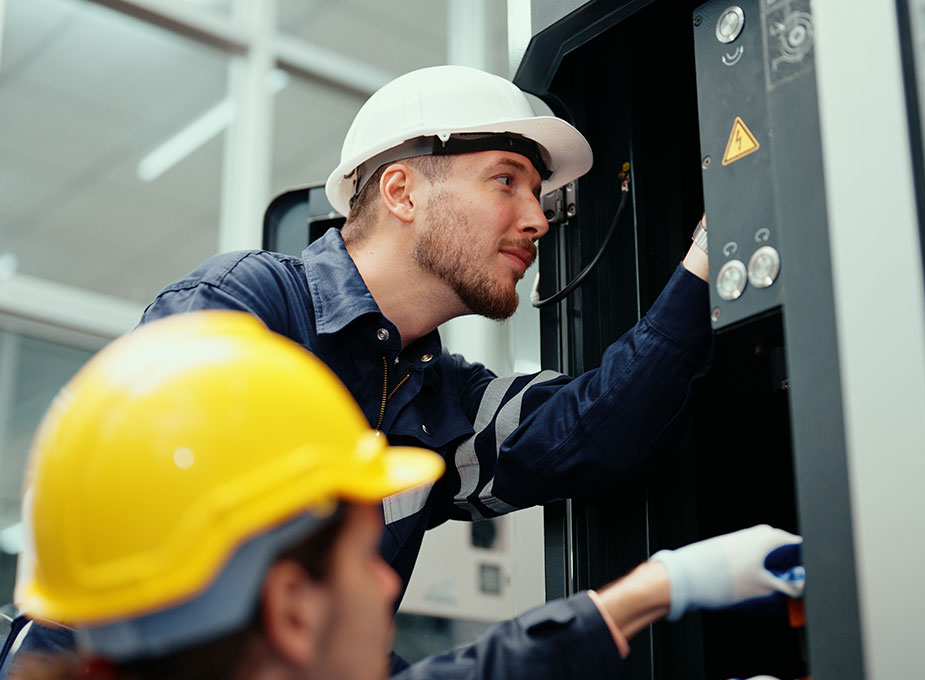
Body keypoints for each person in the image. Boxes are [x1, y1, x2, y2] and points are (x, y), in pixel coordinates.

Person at [137, 65, 714, 643]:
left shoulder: (438, 399)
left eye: (537, 195)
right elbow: (189, 590)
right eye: (506, 181)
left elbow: (597, 427)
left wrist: (708, 262)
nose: (538, 220)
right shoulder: (242, 309)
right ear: (402, 192)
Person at [6, 312, 802, 680]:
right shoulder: (248, 299)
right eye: (363, 557)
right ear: (288, 607)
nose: (390, 580)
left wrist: (665, 587)